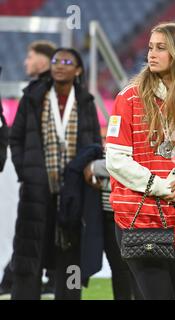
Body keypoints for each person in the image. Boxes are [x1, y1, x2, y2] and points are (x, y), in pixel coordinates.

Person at [106, 22, 175, 300]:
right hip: (139, 216)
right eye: (150, 48)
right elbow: (116, 159)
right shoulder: (129, 98)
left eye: (161, 48)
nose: (151, 54)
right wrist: (160, 186)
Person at [9, 47, 101, 300]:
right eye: (56, 61)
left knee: (70, 260)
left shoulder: (85, 101)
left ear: (78, 69)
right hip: (37, 191)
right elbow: (15, 138)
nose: (60, 65)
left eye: (67, 61)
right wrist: (25, 171)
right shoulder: (33, 97)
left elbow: (95, 146)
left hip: (72, 196)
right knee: (29, 257)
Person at [0, 40, 57, 300]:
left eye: (30, 57)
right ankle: (29, 280)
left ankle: (20, 280)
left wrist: (27, 170)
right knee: (41, 230)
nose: (25, 62)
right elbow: (15, 137)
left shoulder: (49, 93)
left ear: (43, 60)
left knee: (35, 231)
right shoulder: (39, 91)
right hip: (40, 177)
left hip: (43, 179)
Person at [82, 158, 142, 300]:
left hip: (130, 214)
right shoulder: (100, 142)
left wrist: (94, 166)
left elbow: (121, 164)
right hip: (107, 215)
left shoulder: (127, 140)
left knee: (134, 269)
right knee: (119, 268)